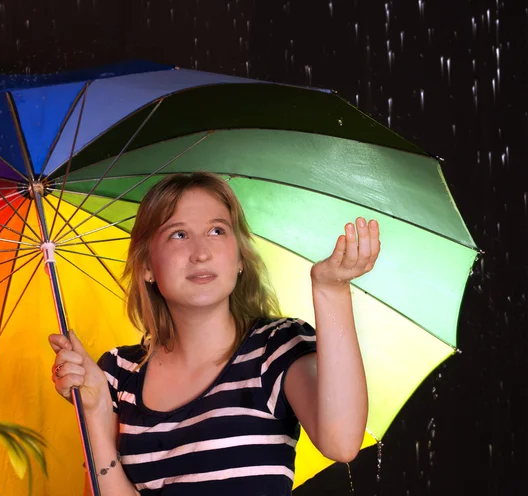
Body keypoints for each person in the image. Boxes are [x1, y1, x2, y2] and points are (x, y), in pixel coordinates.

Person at [49, 171, 380, 495]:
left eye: (217, 231)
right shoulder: (118, 374)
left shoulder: (277, 347)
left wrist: (331, 290)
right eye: (178, 234)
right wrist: (93, 411)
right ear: (148, 266)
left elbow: (342, 442)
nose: (201, 252)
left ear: (239, 258)